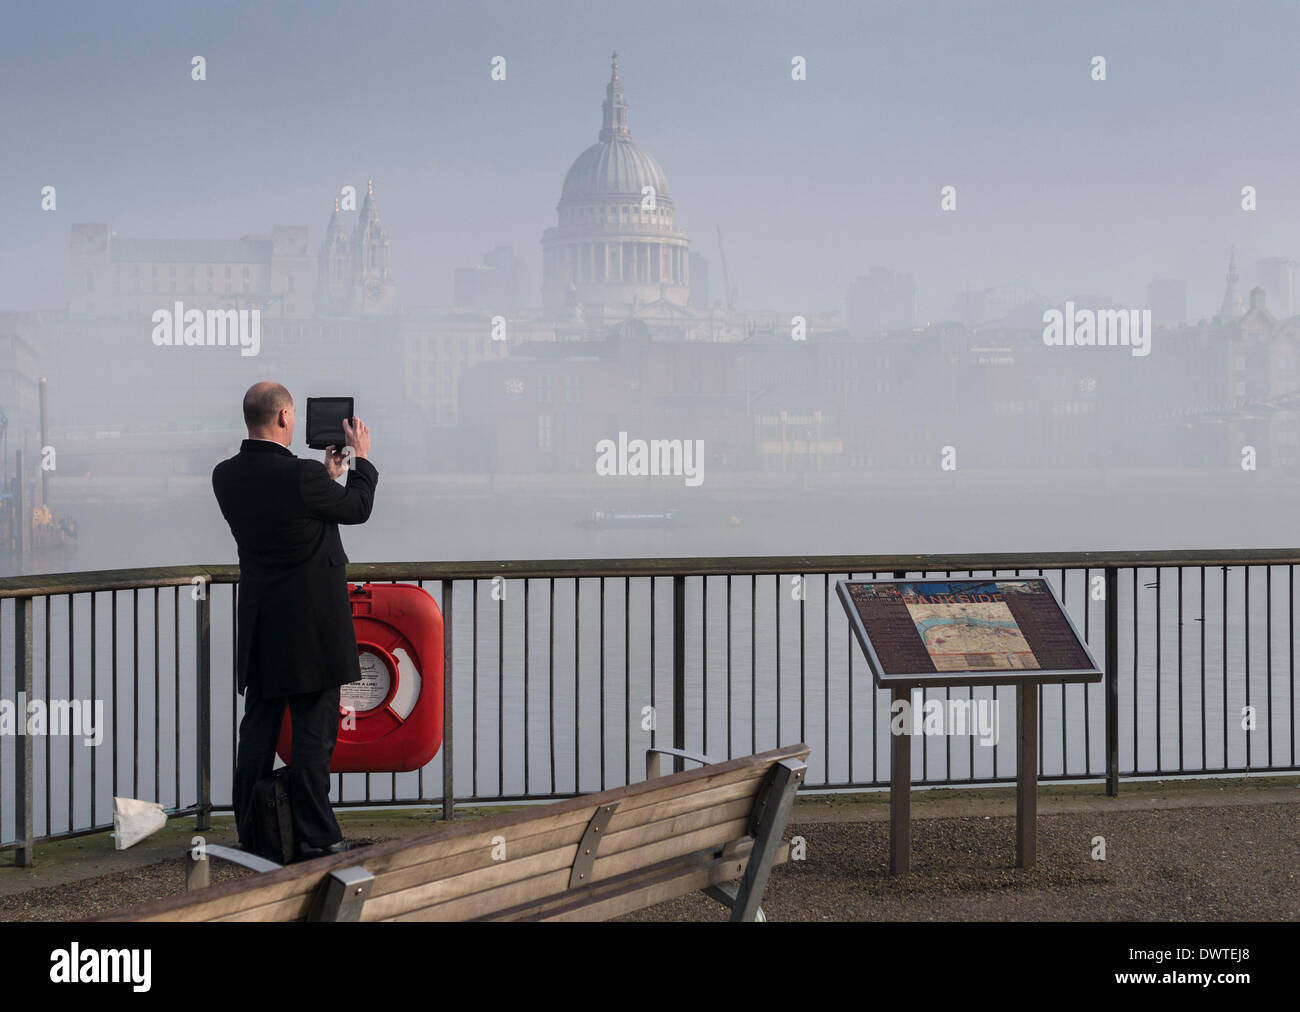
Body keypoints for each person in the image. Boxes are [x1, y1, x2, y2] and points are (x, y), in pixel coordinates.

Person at [211, 381, 378, 860]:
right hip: (312, 630)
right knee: (312, 735)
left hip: (263, 626)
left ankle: (253, 831)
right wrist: (359, 462)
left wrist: (326, 477)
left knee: (258, 732)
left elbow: (290, 516)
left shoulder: (225, 475)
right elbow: (357, 509)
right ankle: (317, 835)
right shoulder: (302, 476)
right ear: (285, 417)